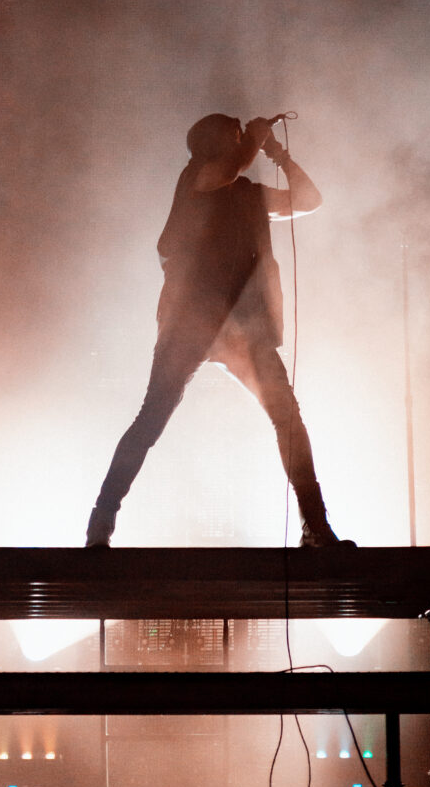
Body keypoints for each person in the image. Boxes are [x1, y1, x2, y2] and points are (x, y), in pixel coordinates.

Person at [85, 113, 351, 548]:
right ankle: (102, 519)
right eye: (235, 132)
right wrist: (256, 140)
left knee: (287, 417)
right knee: (152, 418)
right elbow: (228, 170)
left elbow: (309, 199)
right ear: (214, 141)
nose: (243, 135)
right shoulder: (195, 177)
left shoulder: (248, 193)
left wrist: (278, 153)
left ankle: (315, 526)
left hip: (244, 325)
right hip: (191, 320)